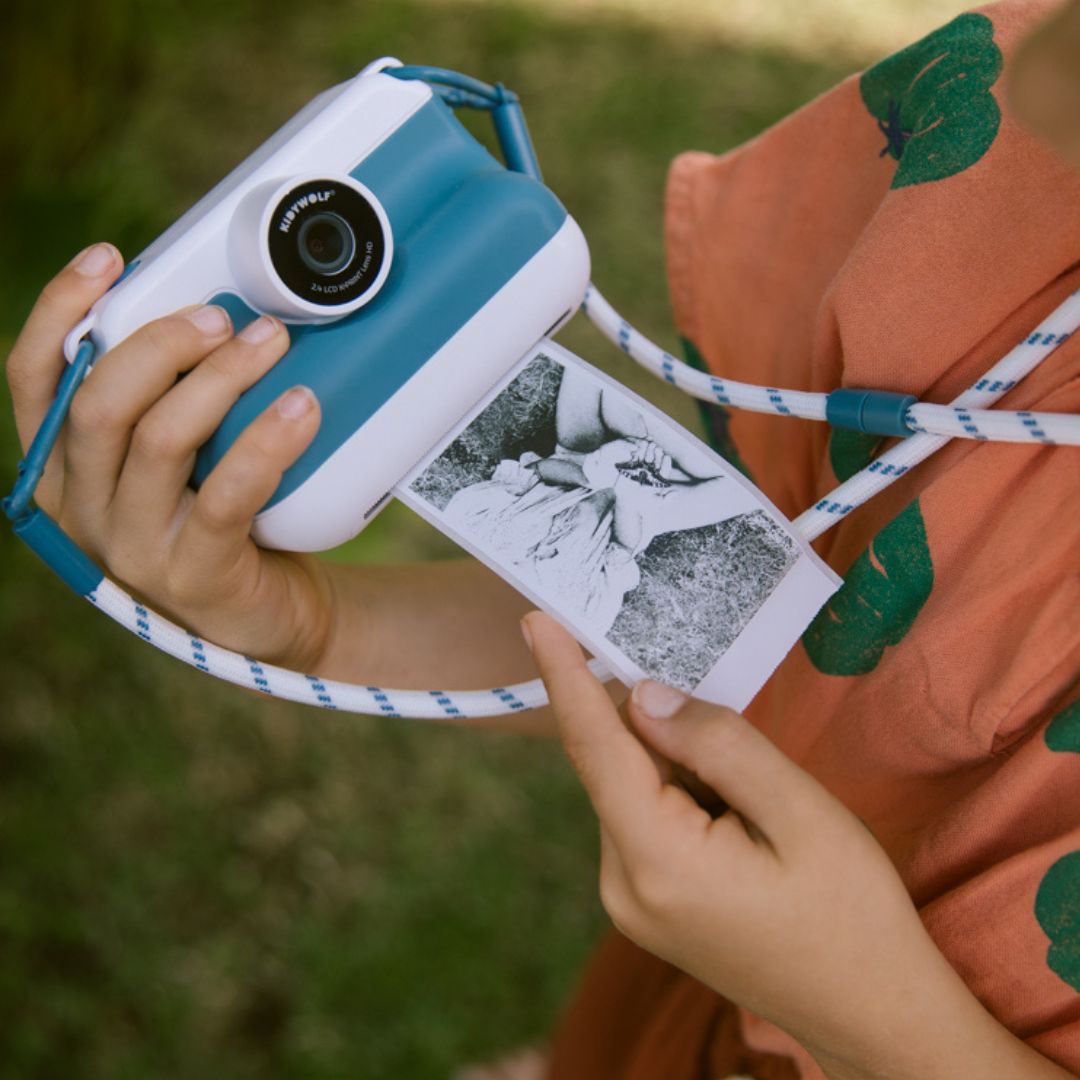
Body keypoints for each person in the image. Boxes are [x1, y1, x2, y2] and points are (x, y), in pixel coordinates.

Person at [4, 2, 1079, 1077]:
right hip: (706, 982)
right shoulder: (1030, 149)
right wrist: (317, 630)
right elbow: (760, 620)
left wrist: (867, 1016)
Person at [442, 366, 762, 637]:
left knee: (596, 380)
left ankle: (645, 441)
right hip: (642, 509)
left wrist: (594, 471)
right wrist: (628, 495)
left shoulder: (469, 519)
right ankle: (654, 448)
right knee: (741, 492)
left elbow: (535, 471)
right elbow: (622, 549)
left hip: (578, 460)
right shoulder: (583, 617)